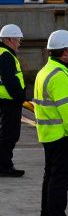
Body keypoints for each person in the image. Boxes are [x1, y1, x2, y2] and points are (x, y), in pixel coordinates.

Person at [33, 29, 68, 216]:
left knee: (50, 180)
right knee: (60, 183)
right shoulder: (60, 76)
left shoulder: (44, 72)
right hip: (63, 136)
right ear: (64, 52)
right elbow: (67, 110)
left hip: (47, 134)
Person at [0, 23, 26, 177]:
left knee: (6, 134)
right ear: (10, 39)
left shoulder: (3, 53)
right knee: (9, 135)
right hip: (9, 102)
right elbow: (10, 80)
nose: (20, 43)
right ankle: (5, 167)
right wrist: (20, 97)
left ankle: (5, 165)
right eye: (18, 39)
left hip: (6, 101)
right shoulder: (6, 56)